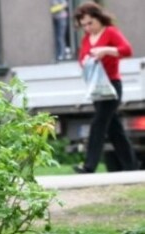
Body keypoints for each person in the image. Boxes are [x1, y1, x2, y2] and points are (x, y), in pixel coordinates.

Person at [73, 1, 137, 174]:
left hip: (112, 86)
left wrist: (106, 50)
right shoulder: (87, 38)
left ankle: (89, 166)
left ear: (99, 18)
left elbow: (127, 50)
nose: (87, 27)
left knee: (98, 124)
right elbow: (81, 58)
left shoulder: (110, 32)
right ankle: (131, 166)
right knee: (114, 129)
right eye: (84, 25)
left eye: (90, 23)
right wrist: (86, 61)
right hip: (96, 86)